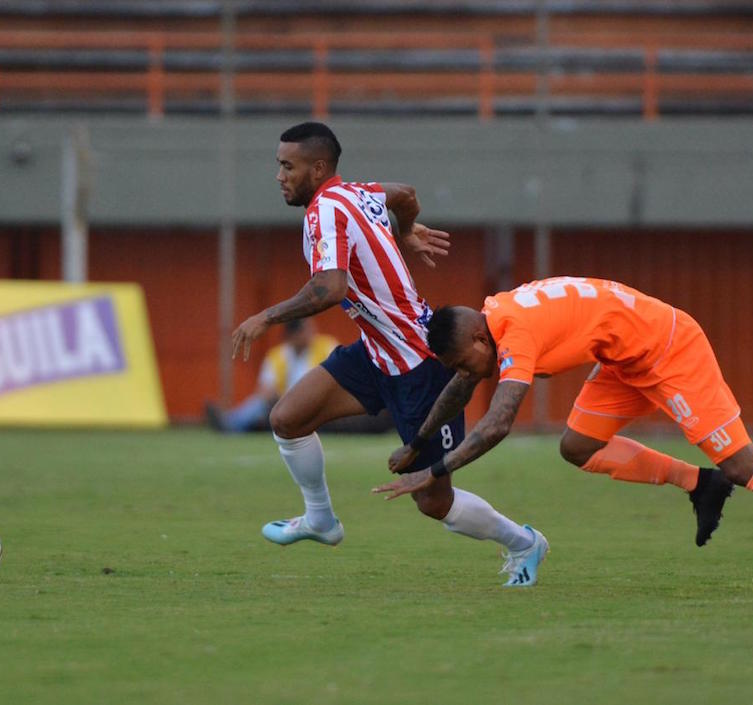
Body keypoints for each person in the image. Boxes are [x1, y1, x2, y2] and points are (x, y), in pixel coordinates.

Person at [375, 275, 753, 595]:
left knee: (741, 463)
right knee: (577, 447)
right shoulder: (495, 321)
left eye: (465, 360)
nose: (468, 372)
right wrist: (418, 444)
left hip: (669, 351)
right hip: (623, 362)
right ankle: (698, 484)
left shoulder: (516, 334)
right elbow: (461, 388)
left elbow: (498, 423)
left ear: (479, 338)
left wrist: (434, 471)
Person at [231, 122, 548, 587]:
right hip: (376, 352)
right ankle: (321, 521)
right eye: (279, 165)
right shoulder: (360, 193)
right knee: (288, 419)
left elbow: (330, 288)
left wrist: (265, 317)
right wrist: (405, 232)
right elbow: (405, 194)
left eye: (287, 166)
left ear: (318, 168)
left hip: (420, 364)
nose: (279, 175)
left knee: (433, 502)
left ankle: (524, 542)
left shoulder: (325, 212)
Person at [208, 319, 337, 433]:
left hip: (316, 402)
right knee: (259, 403)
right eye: (306, 329)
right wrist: (272, 397)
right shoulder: (277, 355)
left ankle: (230, 423)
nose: (312, 332)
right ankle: (230, 423)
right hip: (284, 403)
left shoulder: (327, 347)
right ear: (294, 335)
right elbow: (264, 389)